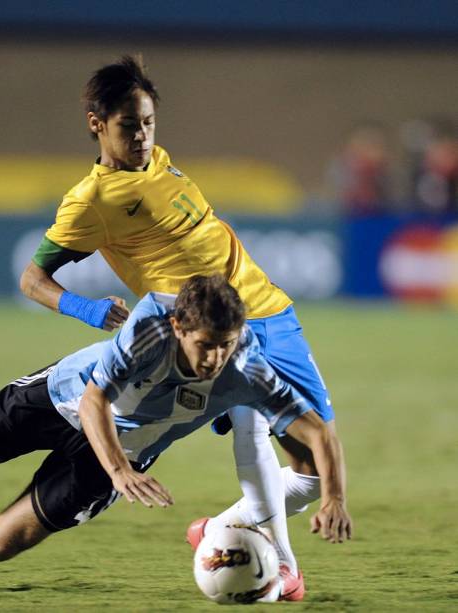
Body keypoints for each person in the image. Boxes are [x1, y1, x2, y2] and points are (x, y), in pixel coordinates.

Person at [19, 56, 349, 596]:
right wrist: (85, 309)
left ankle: (219, 529)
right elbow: (33, 279)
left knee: (313, 468)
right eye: (130, 125)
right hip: (209, 332)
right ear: (96, 123)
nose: (143, 135)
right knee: (252, 422)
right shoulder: (91, 201)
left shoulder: (161, 163)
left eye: (149, 122)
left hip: (269, 310)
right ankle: (284, 569)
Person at [0, 275, 351, 598]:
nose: (217, 358)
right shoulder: (152, 327)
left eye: (228, 344)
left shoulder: (247, 370)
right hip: (58, 401)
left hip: (118, 453)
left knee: (5, 542)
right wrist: (120, 472)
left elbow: (317, 431)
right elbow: (96, 399)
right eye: (207, 344)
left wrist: (334, 497)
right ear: (182, 329)